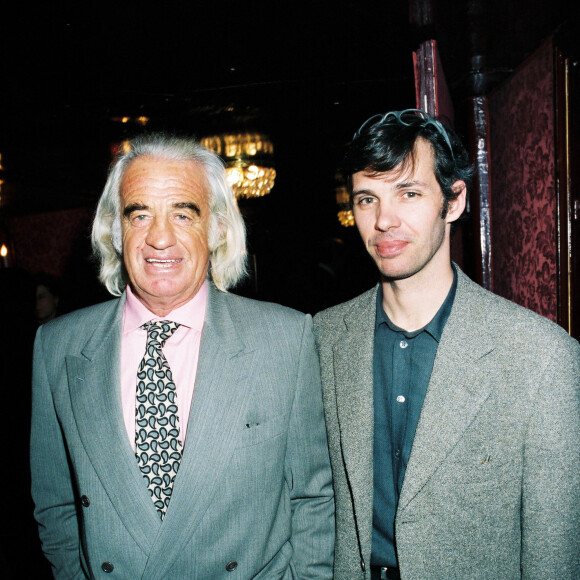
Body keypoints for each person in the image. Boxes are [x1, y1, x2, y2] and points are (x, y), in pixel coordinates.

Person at [31, 133, 334, 579]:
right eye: (140, 215)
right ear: (115, 230)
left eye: (183, 214)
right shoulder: (57, 347)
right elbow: (55, 506)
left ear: (216, 228)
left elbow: (312, 498)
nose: (159, 238)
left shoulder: (286, 338)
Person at [313, 109, 580, 580]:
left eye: (409, 194)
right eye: (366, 199)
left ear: (453, 201)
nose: (384, 221)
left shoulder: (541, 356)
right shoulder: (321, 338)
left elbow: (554, 556)